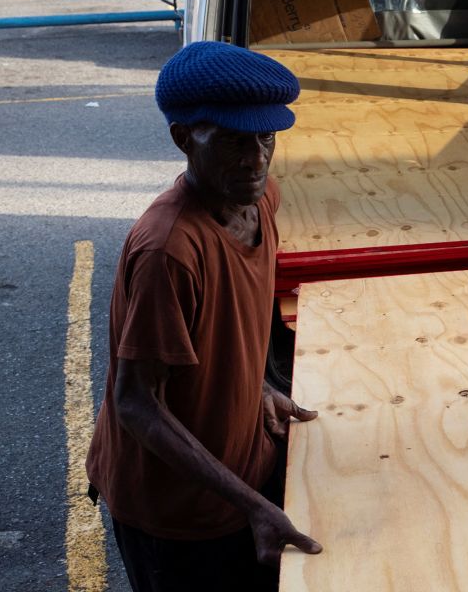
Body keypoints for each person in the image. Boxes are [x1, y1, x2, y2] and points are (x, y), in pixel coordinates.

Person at [85, 42, 323, 591]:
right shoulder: (169, 250)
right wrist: (253, 506)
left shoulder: (259, 201)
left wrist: (258, 381)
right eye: (234, 141)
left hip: (235, 479)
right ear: (183, 138)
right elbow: (135, 402)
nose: (256, 158)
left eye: (266, 138)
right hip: (176, 514)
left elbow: (239, 312)